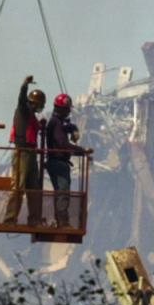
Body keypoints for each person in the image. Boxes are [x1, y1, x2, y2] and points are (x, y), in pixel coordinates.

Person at [2, 76, 46, 225]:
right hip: (22, 152)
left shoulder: (30, 115)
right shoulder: (23, 109)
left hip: (31, 153)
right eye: (39, 105)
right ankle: (9, 218)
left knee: (33, 187)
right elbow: (21, 99)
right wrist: (24, 85)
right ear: (34, 104)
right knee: (19, 186)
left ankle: (34, 219)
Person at [44, 93, 91, 228]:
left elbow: (65, 127)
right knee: (63, 191)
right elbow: (62, 143)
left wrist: (73, 128)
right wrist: (81, 150)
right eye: (68, 108)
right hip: (58, 163)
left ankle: (61, 220)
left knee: (61, 191)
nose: (69, 111)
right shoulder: (56, 123)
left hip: (57, 162)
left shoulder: (56, 122)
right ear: (63, 109)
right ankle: (62, 222)